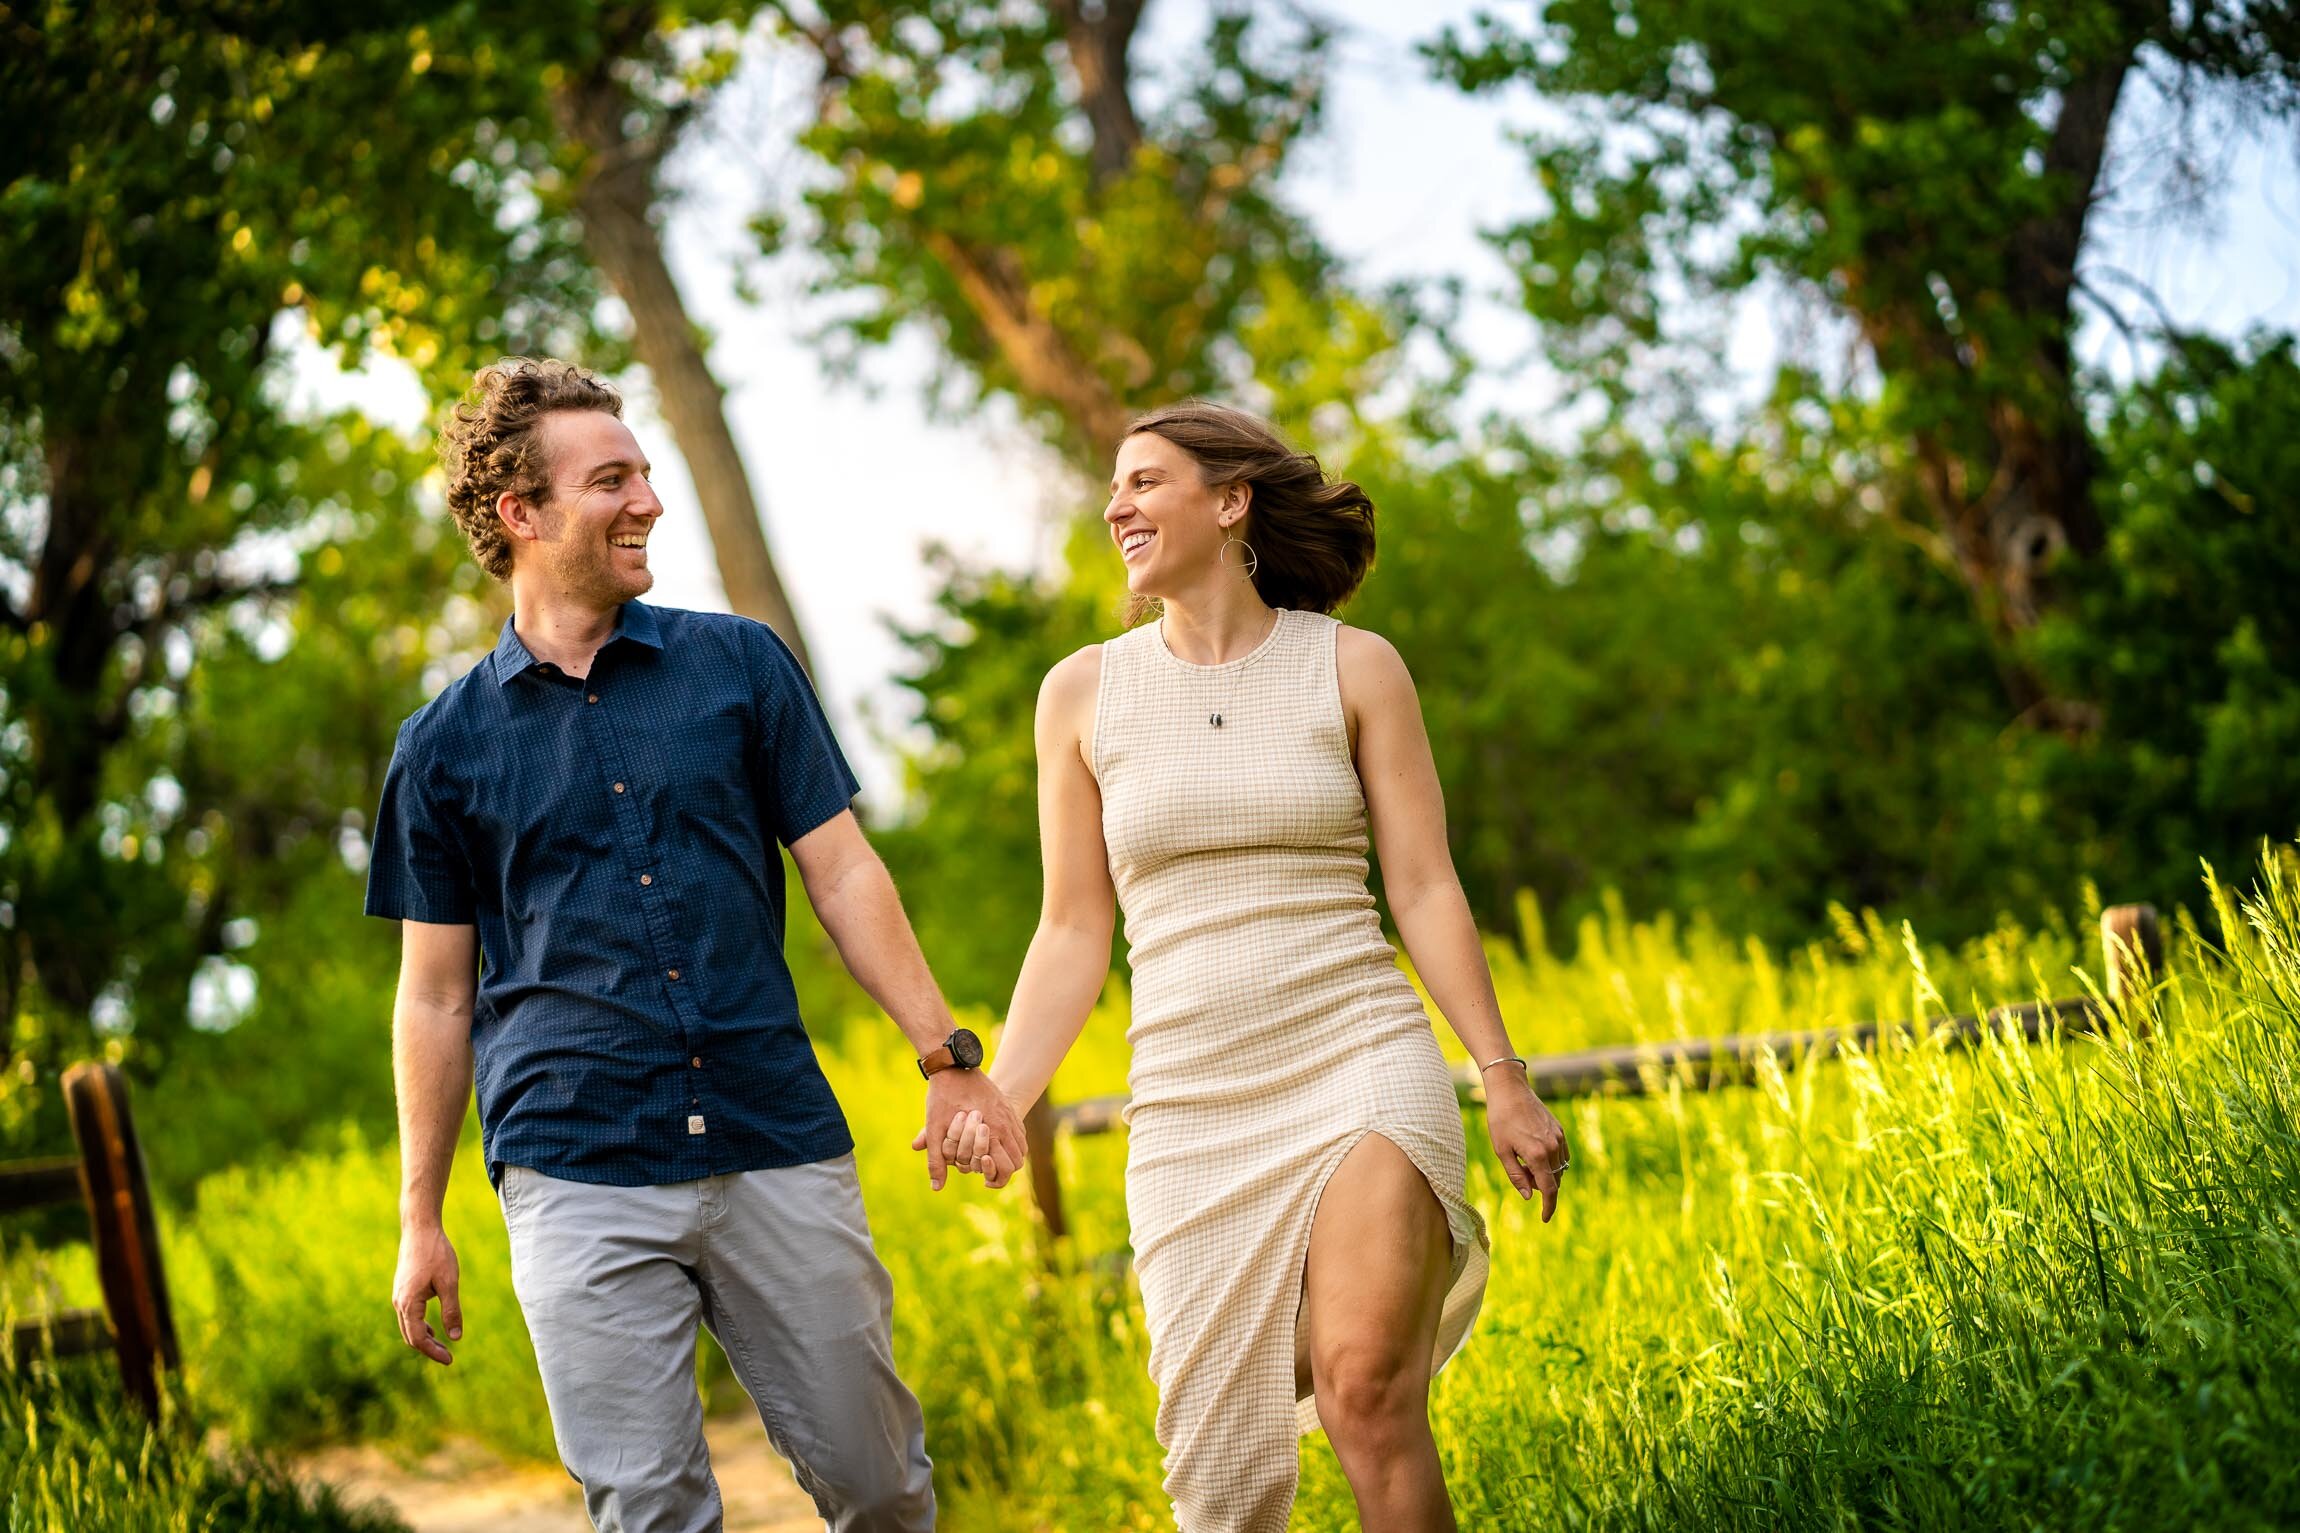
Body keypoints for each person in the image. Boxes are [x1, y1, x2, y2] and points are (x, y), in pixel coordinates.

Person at [366, 356, 1026, 1532]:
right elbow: (434, 997)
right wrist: (422, 1214)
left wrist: (946, 1053)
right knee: (650, 1508)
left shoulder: (738, 665)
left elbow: (842, 870)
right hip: (574, 1165)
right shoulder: (441, 748)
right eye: (610, 480)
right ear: (522, 513)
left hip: (772, 1133)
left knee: (880, 1487)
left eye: (647, 475)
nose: (648, 503)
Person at [943, 400, 1571, 1532]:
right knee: (1217, 1483)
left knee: (1368, 1392)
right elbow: (1073, 929)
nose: (1114, 505)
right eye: (1113, 486)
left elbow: (1423, 887)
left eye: (1143, 482)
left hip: (1356, 1056)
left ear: (1229, 502)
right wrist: (1003, 1092)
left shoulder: (1356, 668)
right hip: (1189, 1105)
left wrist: (1500, 1073)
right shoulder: (1080, 694)